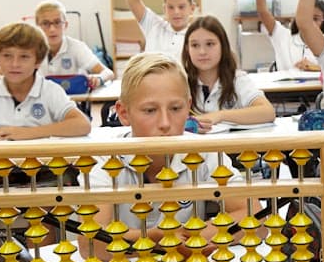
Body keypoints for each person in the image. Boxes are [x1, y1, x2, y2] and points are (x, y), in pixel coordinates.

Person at [88, 52, 246, 242]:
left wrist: (195, 239)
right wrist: (158, 239)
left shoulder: (204, 152)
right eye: (150, 110)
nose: (165, 123)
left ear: (188, 107)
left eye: (175, 108)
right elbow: (92, 243)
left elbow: (254, 216)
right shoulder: (103, 160)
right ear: (123, 113)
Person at [0, 0, 114, 88]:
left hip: (72, 104)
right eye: (46, 24)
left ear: (66, 25)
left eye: (57, 22)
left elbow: (108, 73)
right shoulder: (28, 50)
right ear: (37, 26)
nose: (52, 29)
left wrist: (98, 79)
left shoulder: (77, 47)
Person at [182, 16, 276, 131]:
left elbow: (267, 112)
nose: (202, 52)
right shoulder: (180, 82)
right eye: (195, 45)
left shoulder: (237, 80)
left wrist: (219, 116)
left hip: (231, 148)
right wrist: (189, 126)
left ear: (223, 46)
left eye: (210, 44)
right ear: (187, 49)